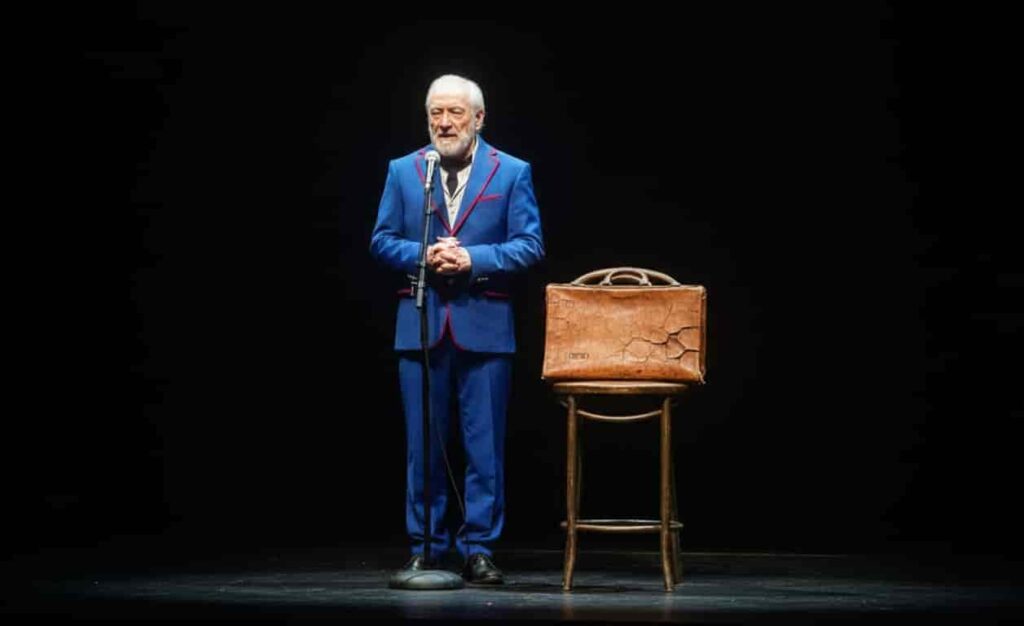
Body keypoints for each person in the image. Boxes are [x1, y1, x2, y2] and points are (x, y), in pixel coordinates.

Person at [370, 74, 544, 584]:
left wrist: (472, 257)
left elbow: (529, 244)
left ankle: (479, 548)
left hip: (485, 325)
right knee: (422, 445)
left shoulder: (512, 172)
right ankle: (426, 547)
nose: (444, 123)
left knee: (483, 445)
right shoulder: (404, 170)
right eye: (435, 115)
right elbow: (382, 239)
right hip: (420, 324)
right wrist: (423, 254)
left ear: (478, 118)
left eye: (455, 114)